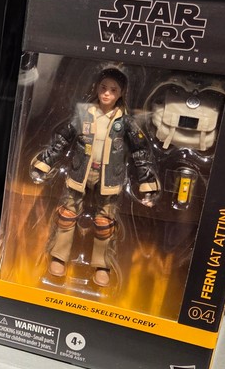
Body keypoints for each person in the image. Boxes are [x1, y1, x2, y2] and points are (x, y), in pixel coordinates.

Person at [30, 66, 159, 287]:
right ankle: (59, 256)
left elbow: (140, 151)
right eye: (103, 88)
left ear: (121, 93)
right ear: (96, 88)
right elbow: (62, 139)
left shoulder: (125, 122)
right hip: (80, 172)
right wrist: (45, 162)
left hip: (110, 177)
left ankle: (102, 265)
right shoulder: (84, 114)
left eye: (113, 90)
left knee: (105, 222)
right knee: (67, 214)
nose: (106, 93)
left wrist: (147, 182)